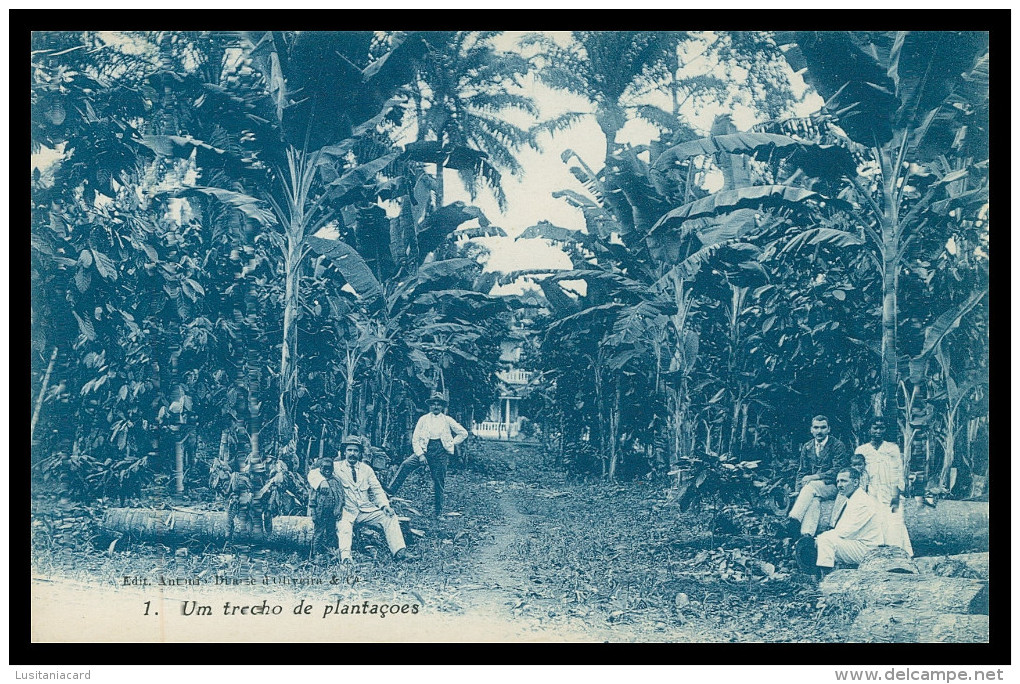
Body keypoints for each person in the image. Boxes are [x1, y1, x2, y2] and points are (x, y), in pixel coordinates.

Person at [387, 392, 468, 517]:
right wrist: (420, 455)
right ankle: (389, 493)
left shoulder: (447, 420)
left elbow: (463, 433)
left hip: (441, 453)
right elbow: (415, 438)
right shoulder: (423, 419)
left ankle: (438, 512)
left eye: (438, 404)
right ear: (430, 406)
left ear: (442, 407)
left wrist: (451, 443)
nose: (436, 407)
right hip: (425, 450)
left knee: (438, 481)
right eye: (433, 404)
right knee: (406, 464)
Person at [333, 435, 409, 564]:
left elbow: (377, 489)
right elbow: (313, 474)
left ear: (360, 453)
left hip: (365, 510)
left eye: (356, 451)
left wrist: (385, 506)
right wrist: (321, 483)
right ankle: (346, 558)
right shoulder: (335, 467)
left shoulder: (366, 469)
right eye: (349, 450)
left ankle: (399, 552)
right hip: (346, 510)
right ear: (344, 452)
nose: (352, 453)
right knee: (344, 527)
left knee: (389, 517)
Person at [856, 418, 913, 557]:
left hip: (890, 490)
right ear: (869, 430)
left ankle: (898, 554)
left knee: (894, 520)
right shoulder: (862, 450)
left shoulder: (892, 448)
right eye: (875, 428)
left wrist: (897, 492)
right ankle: (876, 554)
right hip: (871, 492)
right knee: (874, 520)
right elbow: (859, 473)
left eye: (881, 428)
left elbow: (898, 471)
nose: (878, 431)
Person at [785, 415, 850, 537]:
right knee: (814, 501)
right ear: (811, 429)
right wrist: (798, 491)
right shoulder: (807, 446)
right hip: (813, 489)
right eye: (816, 427)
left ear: (829, 429)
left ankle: (793, 520)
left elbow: (838, 470)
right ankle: (806, 536)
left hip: (833, 486)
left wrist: (815, 477)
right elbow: (802, 471)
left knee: (811, 486)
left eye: (823, 428)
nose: (819, 431)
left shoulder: (837, 445)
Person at [813, 467, 885, 573]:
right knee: (824, 539)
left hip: (869, 550)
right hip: (858, 544)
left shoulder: (862, 501)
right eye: (838, 481)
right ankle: (826, 575)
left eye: (844, 481)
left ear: (855, 482)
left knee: (825, 540)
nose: (839, 485)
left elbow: (846, 532)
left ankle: (827, 578)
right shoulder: (853, 498)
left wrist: (820, 538)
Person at [307, 456, 344, 558]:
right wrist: (313, 514)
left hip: (332, 513)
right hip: (320, 513)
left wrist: (339, 510)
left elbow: (341, 497)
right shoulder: (318, 482)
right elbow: (312, 500)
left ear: (332, 469)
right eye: (324, 468)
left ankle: (330, 552)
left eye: (329, 468)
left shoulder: (336, 481)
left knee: (331, 533)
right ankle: (315, 554)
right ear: (320, 469)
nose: (327, 471)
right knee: (318, 533)